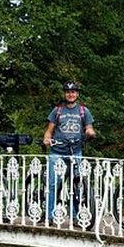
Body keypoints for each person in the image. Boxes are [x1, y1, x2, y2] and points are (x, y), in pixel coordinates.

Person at [42, 80, 95, 222]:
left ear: (77, 94)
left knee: (76, 184)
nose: (70, 94)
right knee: (54, 184)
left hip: (75, 151)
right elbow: (49, 131)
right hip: (57, 152)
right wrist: (47, 139)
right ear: (65, 94)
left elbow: (89, 127)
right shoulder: (57, 110)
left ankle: (75, 216)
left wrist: (90, 132)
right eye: (68, 92)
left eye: (73, 92)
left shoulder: (84, 111)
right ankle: (50, 215)